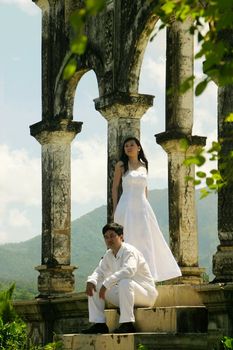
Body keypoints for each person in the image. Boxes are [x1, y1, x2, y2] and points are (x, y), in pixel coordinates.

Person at [112, 136, 181, 282]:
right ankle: (126, 275)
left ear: (138, 147)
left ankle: (148, 276)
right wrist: (115, 208)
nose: (128, 148)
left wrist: (146, 205)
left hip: (142, 206)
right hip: (126, 206)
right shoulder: (121, 165)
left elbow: (145, 188)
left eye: (131, 145)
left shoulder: (144, 165)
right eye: (126, 146)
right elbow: (115, 188)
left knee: (146, 239)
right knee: (127, 239)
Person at [81, 223, 158, 334]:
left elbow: (129, 270)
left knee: (125, 281)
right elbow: (99, 271)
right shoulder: (109, 254)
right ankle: (99, 324)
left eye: (112, 236)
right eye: (106, 237)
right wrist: (90, 280)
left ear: (121, 237)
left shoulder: (129, 251)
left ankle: (127, 324)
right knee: (95, 285)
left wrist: (107, 283)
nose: (109, 239)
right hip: (126, 294)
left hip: (145, 294)